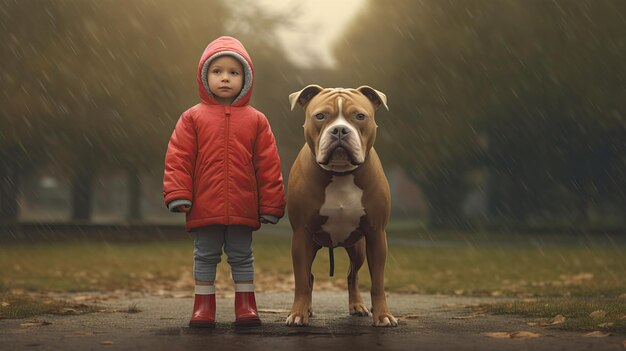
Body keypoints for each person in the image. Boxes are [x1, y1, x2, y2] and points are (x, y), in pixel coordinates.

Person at [163, 36, 285, 328]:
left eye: (234, 72)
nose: (226, 78)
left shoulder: (257, 120)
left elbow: (268, 165)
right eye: (217, 72)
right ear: (205, 77)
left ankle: (246, 306)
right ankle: (203, 307)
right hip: (205, 204)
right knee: (205, 255)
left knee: (242, 255)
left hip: (243, 205)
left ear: (246, 77)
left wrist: (271, 204)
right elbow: (179, 157)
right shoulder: (192, 118)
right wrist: (179, 193)